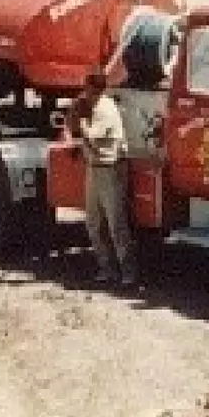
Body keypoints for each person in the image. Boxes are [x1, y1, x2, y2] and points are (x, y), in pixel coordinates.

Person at [70, 70, 136, 288]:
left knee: (116, 224)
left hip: (110, 169)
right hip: (95, 167)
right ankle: (107, 268)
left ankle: (127, 272)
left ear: (92, 88)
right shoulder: (94, 106)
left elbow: (91, 136)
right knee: (93, 222)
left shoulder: (105, 110)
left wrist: (78, 121)